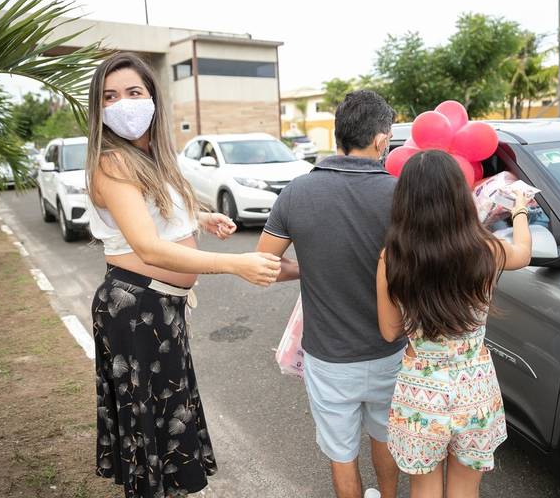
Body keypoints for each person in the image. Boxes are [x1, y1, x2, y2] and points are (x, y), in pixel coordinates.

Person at [85, 52, 282, 498]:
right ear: (98, 108)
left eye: (133, 92)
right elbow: (148, 247)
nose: (123, 104)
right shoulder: (112, 161)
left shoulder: (150, 156)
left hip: (160, 307)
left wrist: (202, 218)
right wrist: (235, 264)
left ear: (152, 97)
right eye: (110, 97)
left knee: (164, 421)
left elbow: (159, 211)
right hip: (136, 309)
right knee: (151, 429)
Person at [256, 90, 406, 498]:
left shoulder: (296, 192)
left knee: (341, 454)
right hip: (390, 349)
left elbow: (263, 265)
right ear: (380, 140)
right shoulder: (401, 195)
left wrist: (308, 267)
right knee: (386, 437)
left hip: (329, 358)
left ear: (339, 135)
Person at [376, 150, 533, 498]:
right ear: (460, 196)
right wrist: (520, 208)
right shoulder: (486, 249)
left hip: (420, 391)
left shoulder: (393, 257)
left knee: (424, 487)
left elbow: (389, 331)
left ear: (405, 201)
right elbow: (523, 252)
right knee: (465, 489)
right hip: (474, 386)